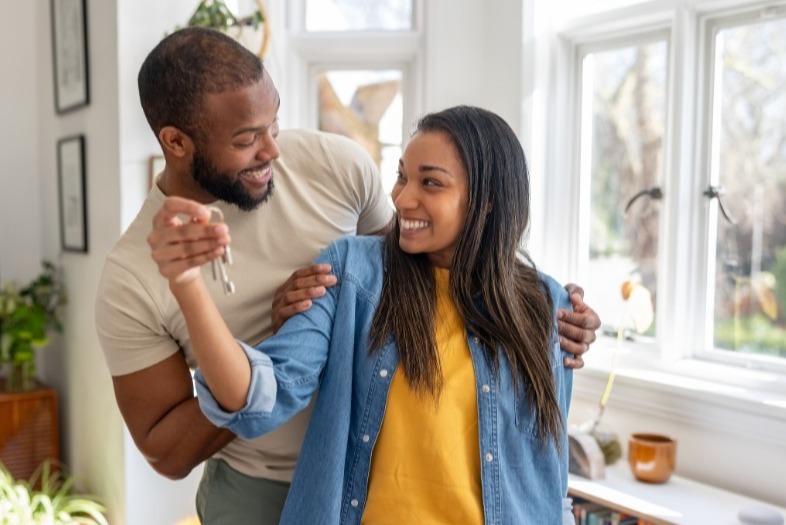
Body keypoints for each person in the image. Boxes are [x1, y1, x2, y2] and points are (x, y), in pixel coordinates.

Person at [96, 27, 598, 525]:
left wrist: (541, 300)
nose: (273, 151)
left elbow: (541, 460)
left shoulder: (333, 166)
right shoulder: (135, 276)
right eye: (248, 139)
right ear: (176, 142)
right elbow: (189, 438)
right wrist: (208, 295)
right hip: (272, 485)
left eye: (274, 124)